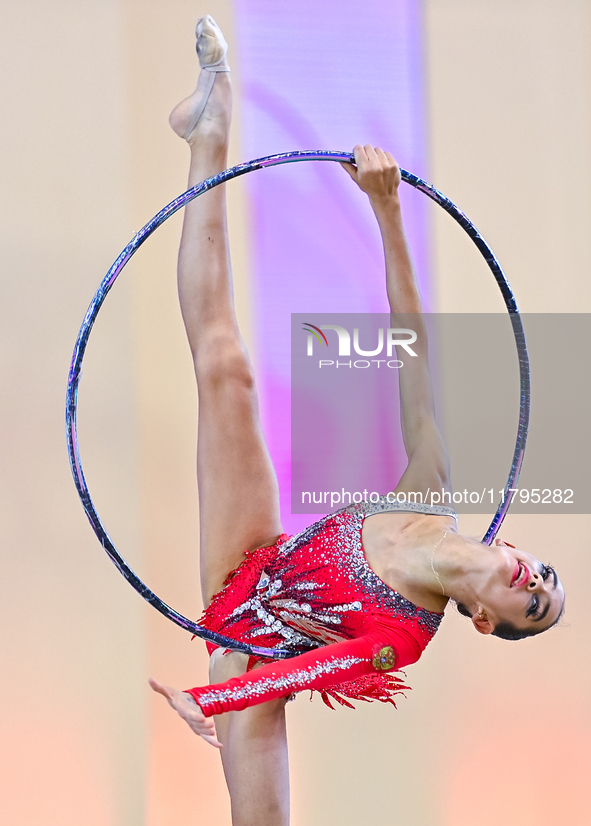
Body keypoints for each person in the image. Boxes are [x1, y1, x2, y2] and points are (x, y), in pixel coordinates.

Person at [150, 15, 565, 825]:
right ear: (513, 547)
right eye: (545, 574)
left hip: (255, 657)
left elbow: (293, 677)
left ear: (485, 620)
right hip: (251, 558)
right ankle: (206, 134)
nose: (536, 583)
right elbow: (410, 344)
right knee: (227, 370)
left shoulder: (402, 636)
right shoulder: (429, 489)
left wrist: (214, 698)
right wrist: (385, 209)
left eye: (534, 607)